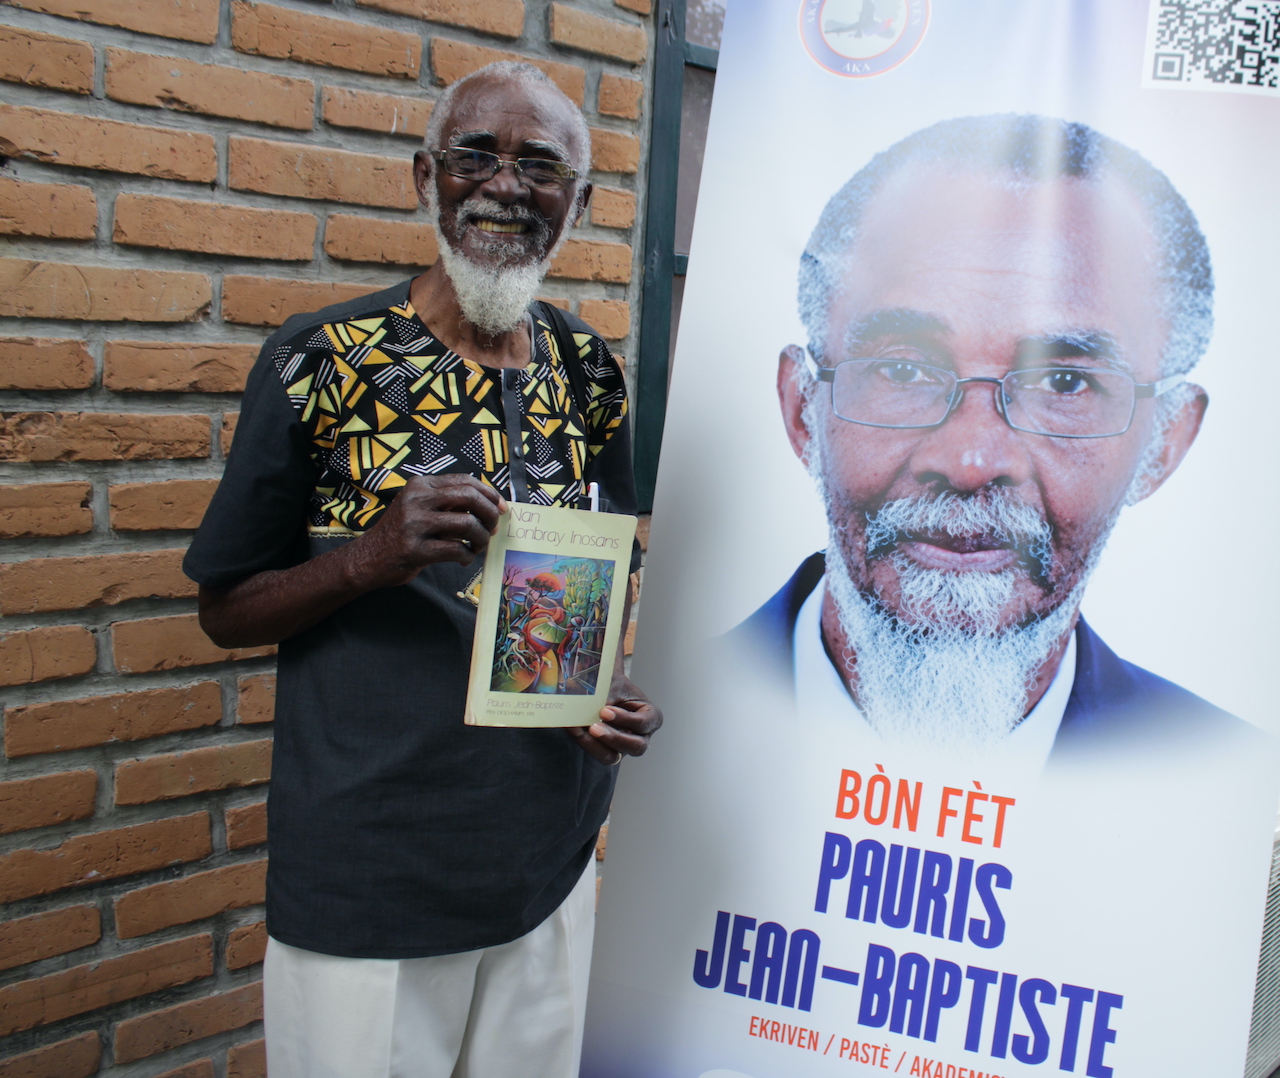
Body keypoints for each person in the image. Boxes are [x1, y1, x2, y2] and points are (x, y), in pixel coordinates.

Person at [183, 61, 661, 1078]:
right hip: (372, 874)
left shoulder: (587, 371)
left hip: (546, 867)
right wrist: (368, 557)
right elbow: (224, 609)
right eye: (471, 156)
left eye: (538, 164)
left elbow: (603, 557)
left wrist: (588, 690)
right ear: (423, 178)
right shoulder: (322, 360)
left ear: (579, 201)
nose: (501, 184)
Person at [733, 113, 1251, 763]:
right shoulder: (681, 714)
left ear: (1165, 444)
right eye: (903, 369)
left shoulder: (1225, 781)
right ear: (803, 409)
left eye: (1064, 383)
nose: (971, 460)